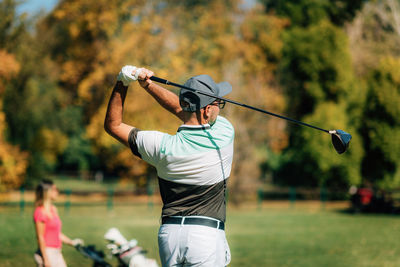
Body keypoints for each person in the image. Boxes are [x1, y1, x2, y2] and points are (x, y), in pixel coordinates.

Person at [104, 66, 234, 267]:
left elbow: (113, 125)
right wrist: (148, 85)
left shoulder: (161, 146)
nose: (220, 105)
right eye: (218, 102)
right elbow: (182, 111)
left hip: (170, 236)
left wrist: (124, 82)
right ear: (207, 110)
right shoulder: (223, 135)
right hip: (205, 236)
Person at [33, 179, 83, 267]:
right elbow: (40, 237)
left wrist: (72, 242)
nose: (57, 192)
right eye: (55, 189)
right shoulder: (40, 212)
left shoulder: (53, 209)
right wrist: (46, 259)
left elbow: (57, 234)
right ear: (47, 192)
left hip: (57, 252)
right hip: (47, 252)